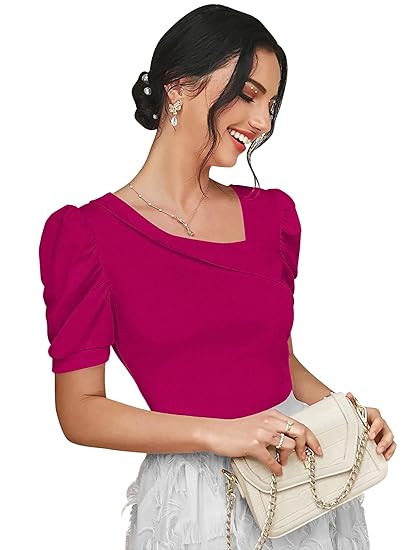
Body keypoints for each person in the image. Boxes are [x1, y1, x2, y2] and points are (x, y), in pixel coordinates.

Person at [38, 4, 396, 549]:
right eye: (249, 95)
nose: (263, 122)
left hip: (298, 478)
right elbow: (80, 411)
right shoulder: (86, 236)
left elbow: (277, 357)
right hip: (195, 499)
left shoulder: (273, 217)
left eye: (271, 104)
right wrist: (219, 434)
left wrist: (346, 414)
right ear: (179, 86)